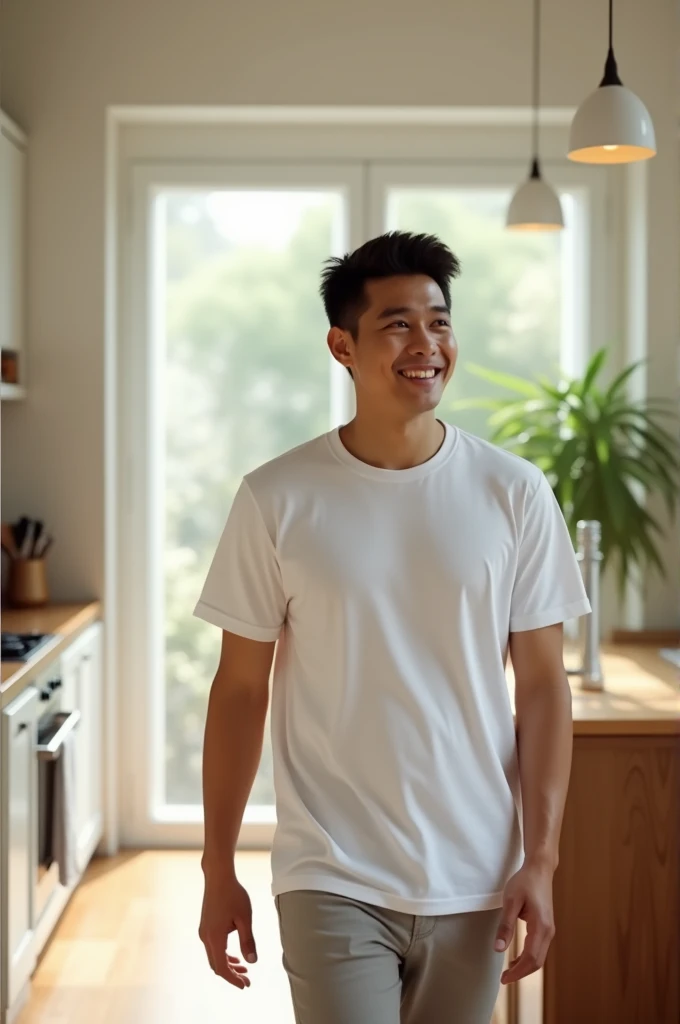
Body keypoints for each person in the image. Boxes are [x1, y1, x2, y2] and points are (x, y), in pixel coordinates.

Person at [196, 231, 591, 1024]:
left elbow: (544, 688)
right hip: (331, 869)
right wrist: (216, 867)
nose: (427, 345)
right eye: (399, 324)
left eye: (440, 322)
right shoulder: (277, 498)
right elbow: (240, 692)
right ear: (342, 345)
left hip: (477, 871)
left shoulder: (513, 493)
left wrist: (541, 860)